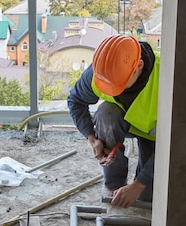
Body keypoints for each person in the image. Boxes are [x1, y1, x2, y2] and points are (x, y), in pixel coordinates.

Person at [67, 34, 159, 208]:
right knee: (106, 113)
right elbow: (76, 101)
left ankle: (137, 188)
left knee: (147, 198)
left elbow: (177, 141)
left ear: (139, 66)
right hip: (126, 120)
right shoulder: (102, 70)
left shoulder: (166, 76)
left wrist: (138, 185)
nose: (113, 91)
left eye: (118, 84)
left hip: (159, 136)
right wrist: (92, 138)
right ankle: (114, 184)